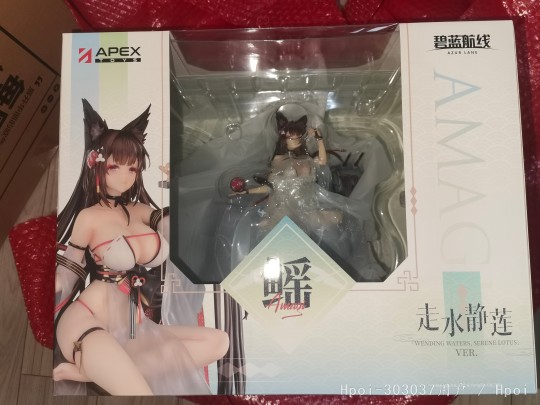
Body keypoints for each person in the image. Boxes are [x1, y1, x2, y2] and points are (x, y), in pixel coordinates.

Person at [54, 99, 228, 395]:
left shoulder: (141, 211)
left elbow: (177, 230)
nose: (126, 176)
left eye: (133, 168)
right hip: (89, 321)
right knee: (142, 393)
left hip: (133, 328)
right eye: (115, 166)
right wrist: (51, 287)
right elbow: (70, 272)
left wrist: (181, 186)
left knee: (218, 342)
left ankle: (94, 371)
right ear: (96, 164)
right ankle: (97, 365)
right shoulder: (89, 217)